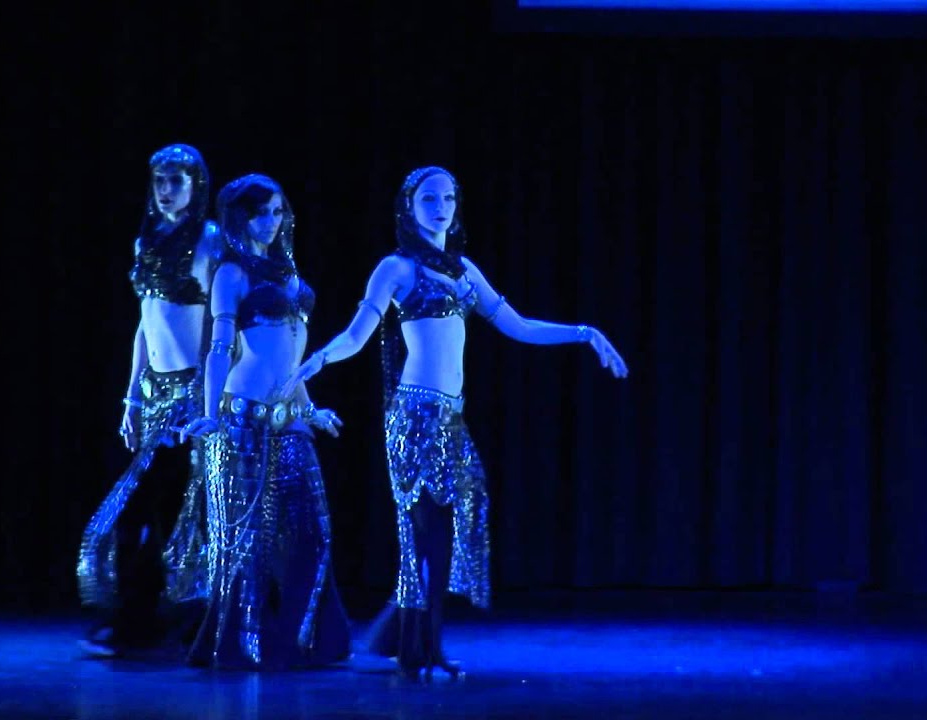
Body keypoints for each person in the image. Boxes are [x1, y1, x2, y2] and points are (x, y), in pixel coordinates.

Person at [286, 166, 628, 680]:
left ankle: (420, 643)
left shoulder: (464, 270)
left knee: (447, 530)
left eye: (448, 197)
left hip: (450, 416)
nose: (441, 207)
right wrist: (320, 359)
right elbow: (358, 334)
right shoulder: (396, 268)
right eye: (429, 198)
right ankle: (419, 649)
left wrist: (584, 332)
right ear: (408, 206)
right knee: (424, 532)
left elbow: (519, 326)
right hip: (415, 415)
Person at [180, 174, 351, 670]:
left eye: (277, 212)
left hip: (290, 416)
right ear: (240, 217)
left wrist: (311, 407)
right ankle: (240, 645)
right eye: (261, 213)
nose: (271, 222)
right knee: (246, 536)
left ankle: (301, 641)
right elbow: (218, 348)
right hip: (242, 418)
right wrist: (209, 416)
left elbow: (292, 354)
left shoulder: (288, 271)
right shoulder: (231, 274)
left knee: (312, 530)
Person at [77, 144, 220, 656]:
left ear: (195, 185)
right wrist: (131, 397)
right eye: (158, 180)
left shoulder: (208, 241)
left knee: (165, 509)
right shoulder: (148, 240)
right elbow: (145, 323)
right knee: (151, 512)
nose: (165, 190)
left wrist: (203, 397)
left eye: (175, 181)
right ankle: (142, 618)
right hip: (154, 392)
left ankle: (149, 619)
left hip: (189, 391)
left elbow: (217, 327)